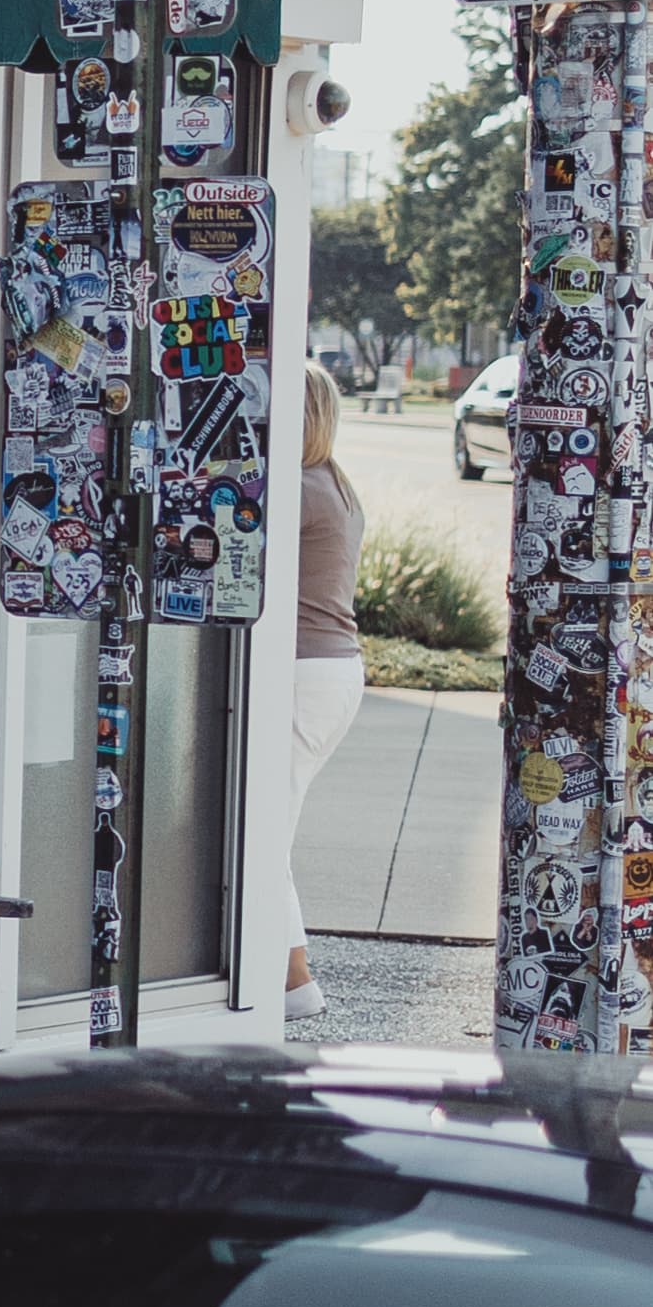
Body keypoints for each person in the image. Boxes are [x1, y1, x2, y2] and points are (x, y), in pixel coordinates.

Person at [286, 364, 367, 1041]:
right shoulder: (334, 485)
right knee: (266, 829)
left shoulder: (296, 491)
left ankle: (293, 985)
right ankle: (285, 976)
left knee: (260, 834)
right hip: (331, 672)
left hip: (303, 675)